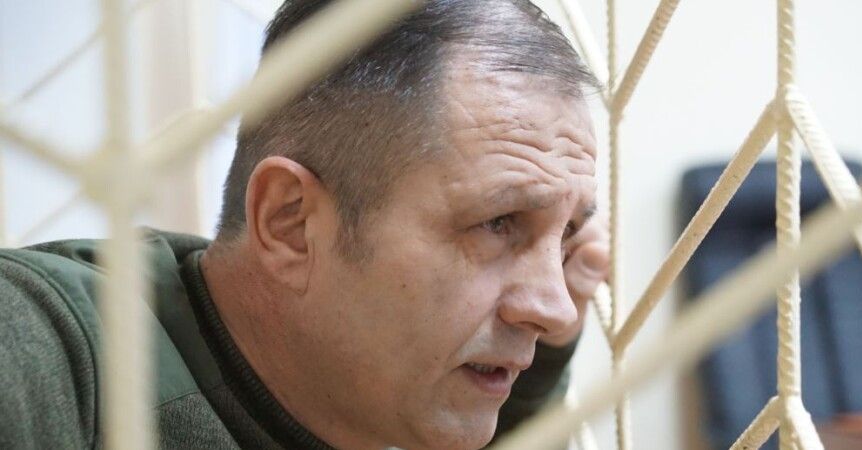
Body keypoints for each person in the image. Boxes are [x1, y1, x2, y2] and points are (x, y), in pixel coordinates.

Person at [0, 0, 609, 448]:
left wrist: (536, 384)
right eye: (498, 222)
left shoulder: (386, 405)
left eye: (565, 236)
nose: (556, 310)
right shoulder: (44, 350)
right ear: (290, 222)